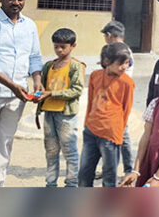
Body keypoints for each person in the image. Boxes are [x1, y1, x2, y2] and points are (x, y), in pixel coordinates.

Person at [0, 0, 43, 187]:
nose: (16, 2)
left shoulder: (30, 25)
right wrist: (13, 86)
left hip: (17, 97)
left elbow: (34, 56)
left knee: (4, 145)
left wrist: (37, 81)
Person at [78, 43, 134, 187]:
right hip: (91, 131)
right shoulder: (95, 76)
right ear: (107, 61)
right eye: (121, 63)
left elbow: (126, 110)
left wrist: (119, 134)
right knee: (84, 173)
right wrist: (86, 124)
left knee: (109, 176)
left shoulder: (127, 83)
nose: (125, 67)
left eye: (127, 63)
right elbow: (90, 101)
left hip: (110, 134)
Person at [35, 28, 85, 187]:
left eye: (63, 47)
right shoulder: (49, 65)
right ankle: (51, 184)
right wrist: (38, 95)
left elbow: (76, 90)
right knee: (50, 151)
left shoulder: (76, 66)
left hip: (66, 114)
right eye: (56, 46)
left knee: (69, 151)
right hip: (49, 113)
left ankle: (71, 184)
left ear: (73, 46)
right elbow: (42, 87)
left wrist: (51, 94)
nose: (59, 50)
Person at [100, 20, 134, 177]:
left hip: (118, 97)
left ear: (109, 35)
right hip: (111, 97)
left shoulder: (121, 51)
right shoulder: (118, 50)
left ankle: (128, 168)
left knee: (122, 134)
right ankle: (109, 167)